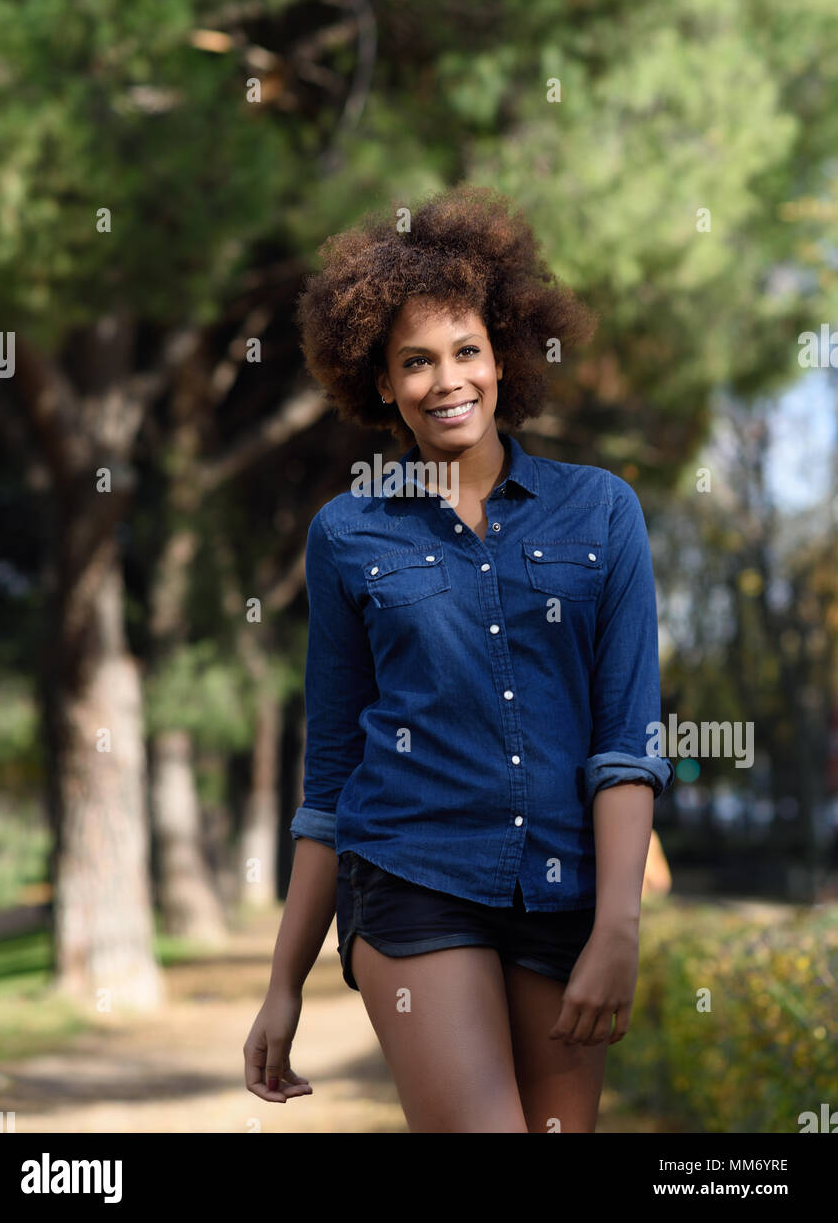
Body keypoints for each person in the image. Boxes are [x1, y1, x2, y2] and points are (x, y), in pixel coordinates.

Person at [243, 184, 674, 1132]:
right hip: (412, 877)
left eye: (465, 351)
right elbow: (331, 774)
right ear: (379, 381)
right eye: (415, 361)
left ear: (503, 354)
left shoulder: (600, 510)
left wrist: (616, 926)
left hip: (565, 887)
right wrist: (285, 984)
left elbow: (626, 739)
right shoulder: (347, 533)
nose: (447, 380)